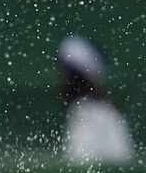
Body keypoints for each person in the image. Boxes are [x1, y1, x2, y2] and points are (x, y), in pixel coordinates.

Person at [56, 35, 134, 165]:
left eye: (67, 72)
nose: (62, 78)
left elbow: (81, 165)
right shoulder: (85, 109)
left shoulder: (95, 114)